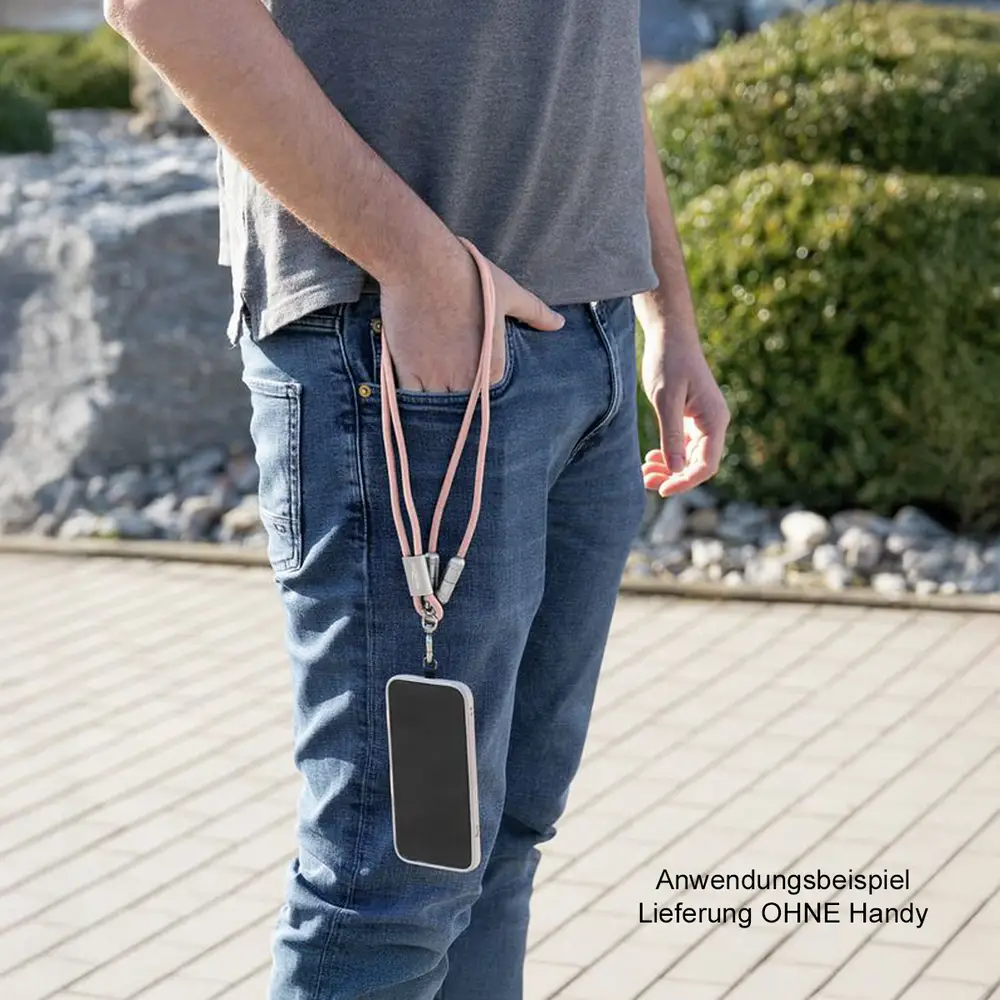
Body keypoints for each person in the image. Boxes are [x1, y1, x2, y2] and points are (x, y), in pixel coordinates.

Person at [105, 1, 730, 996]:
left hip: (590, 349)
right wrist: (417, 264)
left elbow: (590, 56)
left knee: (502, 835)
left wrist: (669, 315)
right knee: (392, 887)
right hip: (408, 357)